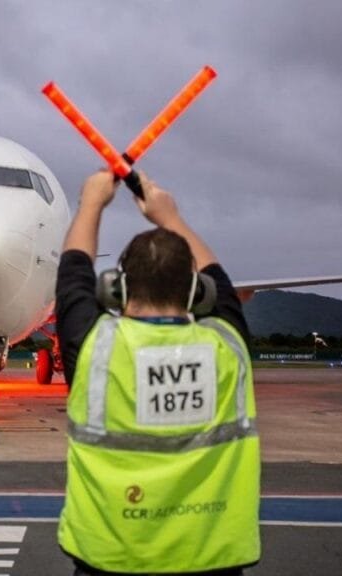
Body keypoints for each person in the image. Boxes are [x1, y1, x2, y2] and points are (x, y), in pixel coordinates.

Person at [54, 169, 259, 575]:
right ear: (198, 292)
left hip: (110, 560)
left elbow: (73, 272)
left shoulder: (97, 348)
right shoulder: (229, 347)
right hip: (212, 559)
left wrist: (91, 203)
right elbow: (219, 280)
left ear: (116, 290)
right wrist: (170, 216)